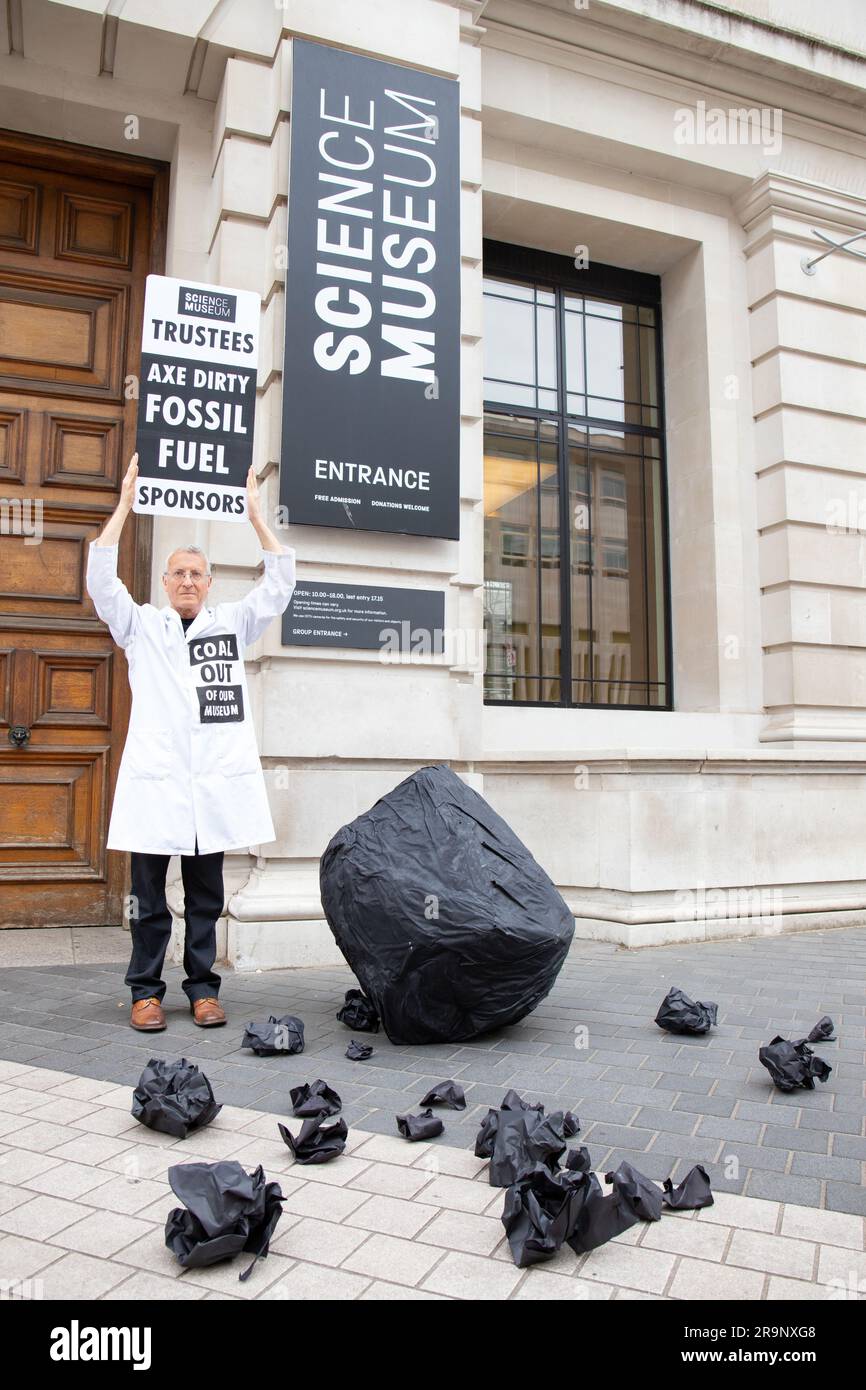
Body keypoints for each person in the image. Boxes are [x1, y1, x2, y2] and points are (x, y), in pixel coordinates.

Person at [86, 455, 296, 1032]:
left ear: (208, 584)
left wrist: (256, 517)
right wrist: (125, 505)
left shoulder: (229, 625)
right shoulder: (141, 628)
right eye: (177, 574)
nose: (186, 582)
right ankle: (145, 993)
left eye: (195, 575)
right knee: (149, 901)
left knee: (205, 899)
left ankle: (203, 990)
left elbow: (279, 584)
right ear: (164, 581)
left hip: (210, 790)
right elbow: (102, 583)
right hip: (157, 785)